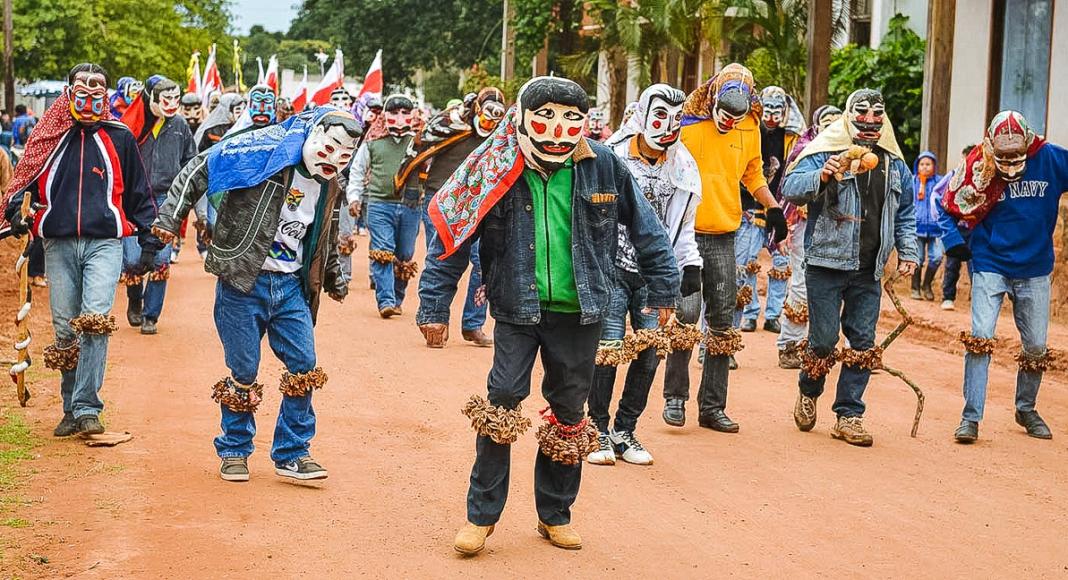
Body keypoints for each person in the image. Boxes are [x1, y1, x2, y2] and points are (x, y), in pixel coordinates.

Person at [418, 77, 678, 555]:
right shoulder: (494, 167)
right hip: (517, 307)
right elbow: (453, 238)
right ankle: (481, 517)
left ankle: (555, 515)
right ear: (521, 117)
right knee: (501, 403)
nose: (558, 131)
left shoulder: (603, 166)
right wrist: (434, 305)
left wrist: (664, 289)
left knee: (569, 412)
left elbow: (648, 230)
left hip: (581, 312)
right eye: (546, 118)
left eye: (571, 119)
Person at [151, 108, 358, 481]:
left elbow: (322, 234)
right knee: (244, 369)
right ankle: (234, 449)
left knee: (304, 367)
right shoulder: (261, 155)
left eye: (344, 156)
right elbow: (200, 169)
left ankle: (293, 453)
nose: (333, 160)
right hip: (242, 281)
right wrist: (169, 219)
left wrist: (333, 276)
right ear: (313, 136)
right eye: (329, 148)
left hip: (291, 287)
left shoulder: (331, 186)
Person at [3, 63, 158, 438]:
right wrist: (15, 209)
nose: (89, 98)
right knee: (64, 326)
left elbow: (138, 191)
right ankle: (70, 406)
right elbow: (27, 179)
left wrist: (150, 241)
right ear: (68, 93)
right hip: (56, 243)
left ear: (106, 96)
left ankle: (88, 407)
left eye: (97, 91)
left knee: (95, 319)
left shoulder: (119, 136)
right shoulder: (49, 136)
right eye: (81, 90)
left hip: (105, 242)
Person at [783, 88, 918, 447]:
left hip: (869, 266)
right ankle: (809, 391)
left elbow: (904, 212)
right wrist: (823, 176)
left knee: (862, 342)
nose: (870, 120)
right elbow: (791, 187)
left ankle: (849, 415)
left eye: (877, 114)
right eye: (862, 113)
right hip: (826, 261)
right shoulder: (824, 150)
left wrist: (907, 251)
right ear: (848, 115)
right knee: (824, 341)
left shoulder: (894, 163)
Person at [662, 63, 787, 432]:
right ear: (712, 98)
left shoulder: (750, 126)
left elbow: (753, 173)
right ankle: (675, 398)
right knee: (685, 315)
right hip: (685, 235)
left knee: (721, 321)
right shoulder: (685, 122)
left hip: (723, 234)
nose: (728, 122)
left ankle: (712, 407)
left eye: (736, 116)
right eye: (723, 115)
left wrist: (773, 206)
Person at [587, 83, 700, 465]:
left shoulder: (683, 168)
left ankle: (625, 430)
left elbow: (684, 227)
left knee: (650, 354)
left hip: (654, 276)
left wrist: (689, 267)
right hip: (612, 269)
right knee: (608, 350)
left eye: (676, 119)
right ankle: (597, 429)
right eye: (659, 117)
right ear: (640, 116)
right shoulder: (612, 158)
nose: (667, 127)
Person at [939, 111, 1068, 444]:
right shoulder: (978, 163)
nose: (1010, 161)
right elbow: (946, 201)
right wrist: (954, 242)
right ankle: (971, 418)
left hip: (1035, 266)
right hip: (990, 262)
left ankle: (1026, 408)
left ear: (1027, 143)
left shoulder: (1050, 158)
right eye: (1004, 156)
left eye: (1016, 154)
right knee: (981, 337)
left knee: (1037, 345)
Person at [405, 87, 505, 348]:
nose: (488, 124)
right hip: (442, 200)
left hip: (482, 203)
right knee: (443, 257)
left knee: (484, 262)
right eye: (485, 117)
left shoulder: (503, 136)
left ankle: (473, 324)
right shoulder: (451, 124)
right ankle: (434, 317)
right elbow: (418, 150)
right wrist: (412, 188)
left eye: (494, 120)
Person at [117, 76, 196, 335]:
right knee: (131, 259)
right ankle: (134, 300)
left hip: (167, 199)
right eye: (166, 99)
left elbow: (190, 160)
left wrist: (185, 192)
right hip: (133, 199)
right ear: (150, 98)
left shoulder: (180, 125)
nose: (172, 104)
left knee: (161, 260)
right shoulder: (131, 126)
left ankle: (151, 315)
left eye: (176, 98)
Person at [734, 86, 805, 336]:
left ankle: (773, 314)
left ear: (786, 112)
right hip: (750, 209)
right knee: (747, 264)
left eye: (778, 111)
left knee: (782, 265)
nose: (772, 116)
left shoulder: (792, 139)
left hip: (782, 210)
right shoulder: (747, 131)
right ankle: (750, 313)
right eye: (768, 110)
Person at [777, 105, 841, 369]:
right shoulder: (805, 150)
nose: (831, 127)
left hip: (837, 230)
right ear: (816, 126)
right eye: (826, 122)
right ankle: (789, 345)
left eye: (837, 122)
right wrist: (784, 228)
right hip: (804, 225)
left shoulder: (849, 149)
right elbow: (787, 189)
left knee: (836, 287)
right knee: (801, 284)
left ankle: (824, 348)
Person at [346, 94, 421, 317]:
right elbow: (357, 172)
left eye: (405, 113)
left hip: (411, 206)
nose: (399, 118)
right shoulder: (372, 142)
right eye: (394, 112)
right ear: (384, 116)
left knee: (405, 254)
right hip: (379, 204)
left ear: (412, 115)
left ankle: (398, 298)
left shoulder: (419, 142)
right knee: (382, 250)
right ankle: (385, 300)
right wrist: (354, 198)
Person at [934, 144, 975, 310]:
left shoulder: (984, 180)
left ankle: (978, 298)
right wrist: (944, 226)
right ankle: (948, 297)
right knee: (952, 263)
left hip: (975, 229)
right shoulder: (952, 176)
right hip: (955, 229)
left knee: (976, 265)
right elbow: (936, 197)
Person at [910, 151, 943, 300]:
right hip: (917, 227)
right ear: (917, 166)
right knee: (918, 258)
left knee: (936, 257)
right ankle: (915, 288)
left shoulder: (940, 182)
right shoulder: (912, 182)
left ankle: (927, 285)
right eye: (922, 164)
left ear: (934, 166)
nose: (925, 167)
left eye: (928, 164)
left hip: (936, 229)